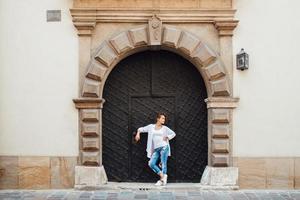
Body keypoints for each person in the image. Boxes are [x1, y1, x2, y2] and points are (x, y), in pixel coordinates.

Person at [135, 112, 176, 186]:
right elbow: (141, 129)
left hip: (164, 146)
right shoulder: (151, 127)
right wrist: (138, 133)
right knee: (151, 163)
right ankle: (163, 176)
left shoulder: (165, 128)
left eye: (164, 118)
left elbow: (173, 133)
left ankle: (162, 180)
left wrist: (167, 137)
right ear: (158, 119)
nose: (164, 120)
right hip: (156, 149)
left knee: (163, 163)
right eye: (162, 118)